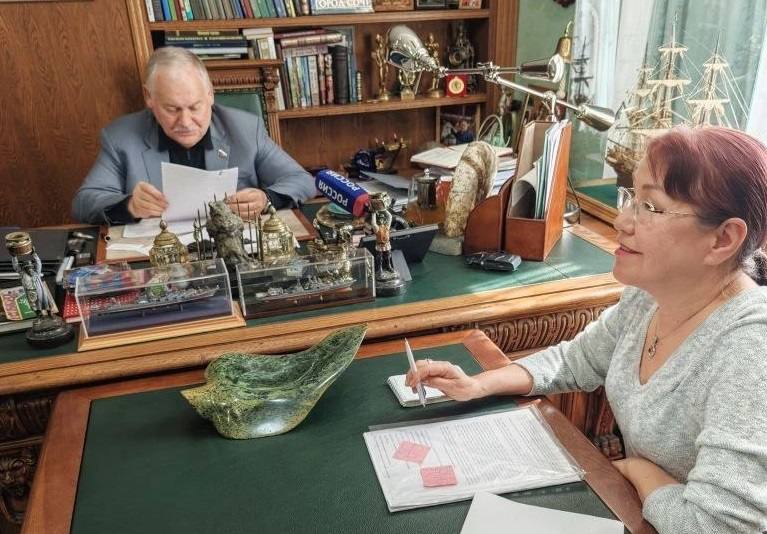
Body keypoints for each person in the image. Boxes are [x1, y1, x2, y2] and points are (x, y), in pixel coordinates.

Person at [407, 126, 767, 533]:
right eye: (631, 198)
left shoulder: (752, 348)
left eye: (651, 207)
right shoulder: (649, 297)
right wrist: (478, 384)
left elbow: (717, 527)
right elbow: (577, 359)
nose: (622, 221)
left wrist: (640, 471)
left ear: (723, 239)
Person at [72, 47, 315, 225]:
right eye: (172, 109)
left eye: (195, 107)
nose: (186, 122)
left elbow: (302, 181)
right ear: (149, 98)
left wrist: (265, 198)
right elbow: (84, 202)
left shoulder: (245, 129)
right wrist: (130, 205)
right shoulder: (121, 138)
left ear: (210, 94)